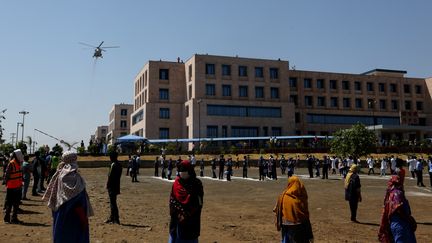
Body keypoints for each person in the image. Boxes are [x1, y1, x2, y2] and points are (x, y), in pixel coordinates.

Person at [43, 151, 94, 243]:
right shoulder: (75, 178)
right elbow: (78, 197)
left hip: (61, 214)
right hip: (74, 216)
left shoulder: (59, 174)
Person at [169, 160, 204, 243]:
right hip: (177, 221)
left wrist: (187, 214)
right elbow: (172, 200)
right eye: (180, 171)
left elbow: (199, 202)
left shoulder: (196, 184)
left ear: (190, 171)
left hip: (191, 222)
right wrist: (177, 214)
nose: (182, 173)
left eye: (184, 171)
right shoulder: (176, 184)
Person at [273, 176, 314, 243]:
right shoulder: (300, 200)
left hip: (285, 226)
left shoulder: (282, 196)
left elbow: (276, 210)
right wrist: (310, 235)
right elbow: (305, 218)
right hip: (299, 230)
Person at [378, 175, 417, 243]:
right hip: (401, 224)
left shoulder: (389, 194)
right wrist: (409, 218)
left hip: (394, 224)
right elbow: (399, 208)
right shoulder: (397, 193)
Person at [3, 149, 24, 224]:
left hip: (18, 187)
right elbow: (6, 175)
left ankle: (14, 218)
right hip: (11, 187)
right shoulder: (11, 163)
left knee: (16, 204)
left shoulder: (20, 163)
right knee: (9, 203)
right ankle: (7, 218)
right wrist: (6, 184)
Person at [105, 151, 122, 224]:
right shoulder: (119, 165)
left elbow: (110, 176)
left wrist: (107, 184)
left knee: (113, 203)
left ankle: (116, 219)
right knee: (113, 201)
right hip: (117, 185)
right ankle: (112, 217)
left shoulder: (113, 165)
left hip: (112, 186)